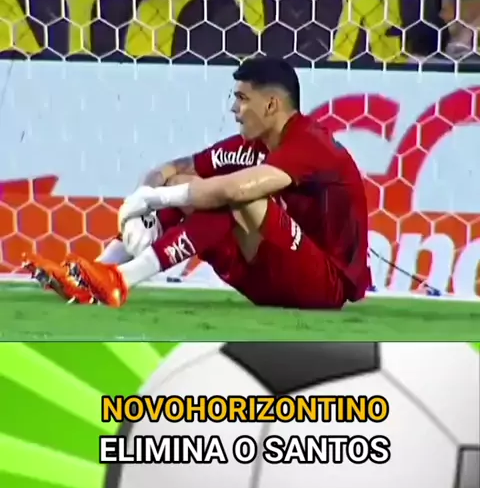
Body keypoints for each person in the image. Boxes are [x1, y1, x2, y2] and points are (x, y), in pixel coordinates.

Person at [24, 57, 371, 310]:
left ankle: (123, 279)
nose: (234, 109)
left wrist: (153, 200)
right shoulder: (252, 145)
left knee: (236, 194)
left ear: (271, 105)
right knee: (190, 183)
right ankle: (93, 275)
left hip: (324, 286)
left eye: (242, 99)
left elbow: (235, 191)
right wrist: (145, 200)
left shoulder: (311, 143)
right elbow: (172, 169)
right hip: (270, 281)